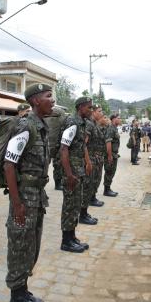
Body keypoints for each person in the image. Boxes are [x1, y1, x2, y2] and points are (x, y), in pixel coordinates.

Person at [4, 83, 54, 302]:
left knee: (31, 246)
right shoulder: (25, 126)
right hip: (24, 198)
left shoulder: (41, 125)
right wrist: (17, 204)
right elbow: (9, 164)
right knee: (20, 246)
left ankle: (23, 290)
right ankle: (16, 297)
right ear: (35, 101)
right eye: (48, 96)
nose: (52, 100)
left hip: (37, 196)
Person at [60, 96, 93, 252]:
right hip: (71, 172)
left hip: (77, 170)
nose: (91, 110)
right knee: (69, 205)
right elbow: (64, 148)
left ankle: (72, 236)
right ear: (80, 107)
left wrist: (87, 162)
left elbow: (81, 145)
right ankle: (66, 241)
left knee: (75, 204)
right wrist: (69, 174)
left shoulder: (82, 123)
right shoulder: (72, 122)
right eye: (89, 107)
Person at [80, 105, 105, 224]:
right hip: (89, 161)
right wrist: (88, 161)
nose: (101, 113)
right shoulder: (89, 124)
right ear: (94, 112)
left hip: (94, 159)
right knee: (86, 187)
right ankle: (82, 214)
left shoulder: (94, 124)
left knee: (90, 186)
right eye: (99, 111)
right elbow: (84, 144)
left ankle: (84, 213)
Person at [104, 114, 121, 196]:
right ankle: (106, 190)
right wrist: (109, 155)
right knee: (109, 171)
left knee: (111, 172)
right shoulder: (111, 128)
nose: (120, 119)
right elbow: (108, 142)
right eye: (118, 118)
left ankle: (108, 188)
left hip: (114, 154)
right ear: (114, 119)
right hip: (111, 154)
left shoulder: (114, 128)